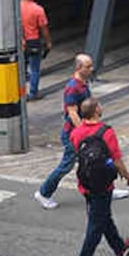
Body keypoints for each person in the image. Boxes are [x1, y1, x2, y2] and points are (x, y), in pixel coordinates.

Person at [71, 97, 129, 256]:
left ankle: (119, 247)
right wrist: (128, 177)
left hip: (86, 184)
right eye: (99, 105)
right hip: (103, 185)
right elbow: (116, 160)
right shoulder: (106, 132)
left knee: (102, 216)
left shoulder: (76, 132)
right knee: (95, 227)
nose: (101, 107)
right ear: (96, 111)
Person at [35, 54, 92, 209]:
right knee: (66, 165)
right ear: (79, 68)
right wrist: (84, 132)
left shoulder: (84, 83)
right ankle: (44, 193)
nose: (91, 69)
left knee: (94, 161)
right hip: (73, 134)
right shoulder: (73, 87)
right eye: (88, 66)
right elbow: (72, 112)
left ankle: (102, 191)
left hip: (79, 132)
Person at [20, 0, 52, 101]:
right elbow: (44, 28)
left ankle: (20, 93)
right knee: (34, 69)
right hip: (33, 41)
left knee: (21, 69)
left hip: (21, 41)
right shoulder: (38, 10)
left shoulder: (17, 7)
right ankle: (33, 93)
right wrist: (48, 42)